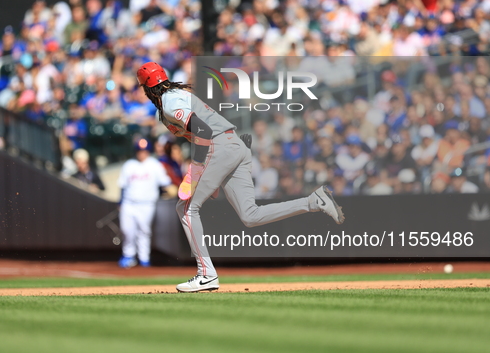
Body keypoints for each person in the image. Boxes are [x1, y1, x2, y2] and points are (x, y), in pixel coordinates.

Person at [136, 61, 344, 292]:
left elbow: (203, 131)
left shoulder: (169, 103)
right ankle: (313, 201)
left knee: (185, 208)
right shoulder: (176, 96)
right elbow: (200, 134)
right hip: (233, 144)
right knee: (250, 216)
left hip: (220, 145)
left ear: (146, 88)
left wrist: (195, 171)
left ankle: (206, 274)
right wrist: (209, 176)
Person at [118, 139, 174, 268]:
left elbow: (165, 182)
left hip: (147, 204)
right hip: (129, 202)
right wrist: (120, 201)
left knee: (144, 231)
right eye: (139, 151)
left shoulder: (154, 165)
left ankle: (144, 258)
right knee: (127, 230)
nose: (141, 153)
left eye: (144, 151)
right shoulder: (129, 165)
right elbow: (122, 185)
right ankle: (128, 255)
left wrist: (173, 188)